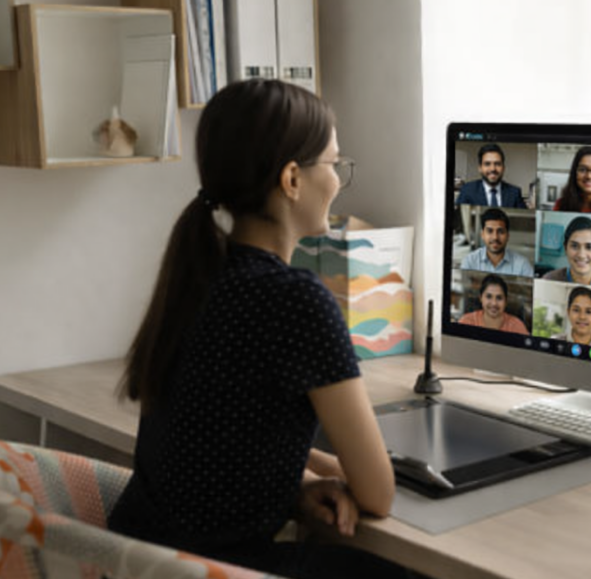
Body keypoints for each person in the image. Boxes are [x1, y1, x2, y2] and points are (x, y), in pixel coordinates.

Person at [107, 80, 409, 579]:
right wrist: (329, 471)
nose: (338, 181)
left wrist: (296, 483)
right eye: (334, 164)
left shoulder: (198, 276)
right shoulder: (298, 300)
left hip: (133, 562)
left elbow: (217, 442)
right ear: (292, 179)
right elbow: (377, 493)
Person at [460, 207, 534, 277]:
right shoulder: (470, 262)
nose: (495, 237)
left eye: (500, 231)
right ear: (482, 235)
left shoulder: (522, 265)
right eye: (490, 231)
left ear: (508, 236)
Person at [455, 143, 527, 208]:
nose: (493, 169)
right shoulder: (467, 190)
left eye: (497, 164)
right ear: (480, 168)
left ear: (503, 168)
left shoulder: (514, 193)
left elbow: (523, 218)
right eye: (487, 164)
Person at [458, 274, 530, 334]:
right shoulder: (467, 321)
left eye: (499, 298)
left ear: (506, 301)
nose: (494, 303)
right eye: (489, 297)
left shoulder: (517, 326)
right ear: (481, 298)